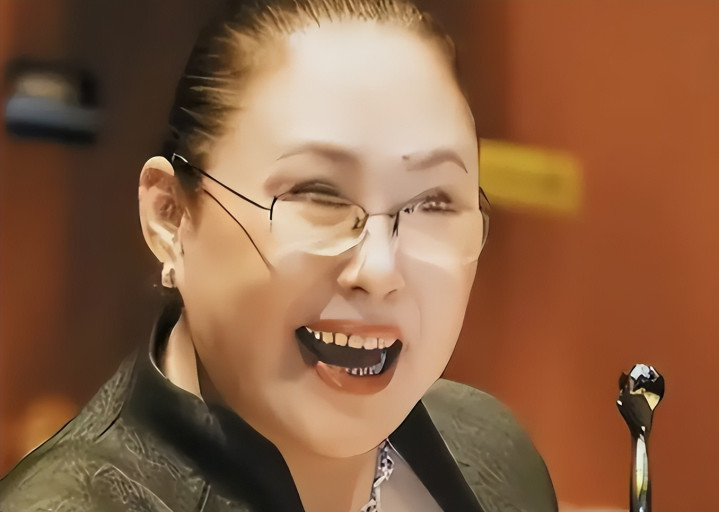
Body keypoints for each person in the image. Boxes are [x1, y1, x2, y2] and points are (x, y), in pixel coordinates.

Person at [0, 1, 557, 510]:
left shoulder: (497, 456)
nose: (380, 270)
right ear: (169, 216)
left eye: (433, 202)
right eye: (318, 195)